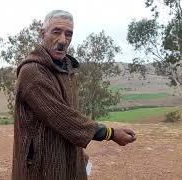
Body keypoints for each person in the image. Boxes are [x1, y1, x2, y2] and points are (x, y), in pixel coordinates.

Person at [11, 10, 136, 180]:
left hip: (68, 157)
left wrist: (78, 154)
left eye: (68, 34)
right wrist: (110, 133)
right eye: (56, 32)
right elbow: (62, 117)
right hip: (40, 163)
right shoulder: (32, 71)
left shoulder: (66, 70)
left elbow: (71, 116)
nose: (63, 40)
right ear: (43, 33)